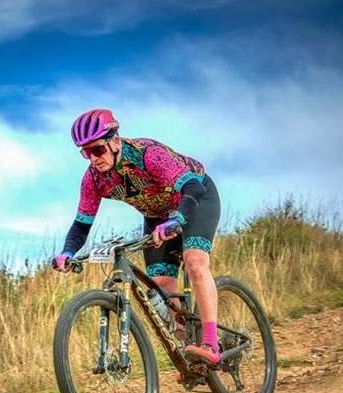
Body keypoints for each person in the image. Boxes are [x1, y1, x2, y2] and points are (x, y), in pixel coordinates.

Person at [52, 109, 222, 368]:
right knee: (162, 288)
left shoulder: (148, 154)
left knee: (195, 262)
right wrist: (67, 252)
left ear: (116, 142)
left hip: (195, 199)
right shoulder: (93, 179)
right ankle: (190, 356)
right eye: (86, 153)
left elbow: (193, 187)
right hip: (156, 215)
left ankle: (211, 344)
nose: (93, 158)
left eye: (97, 150)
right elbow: (81, 224)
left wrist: (178, 220)